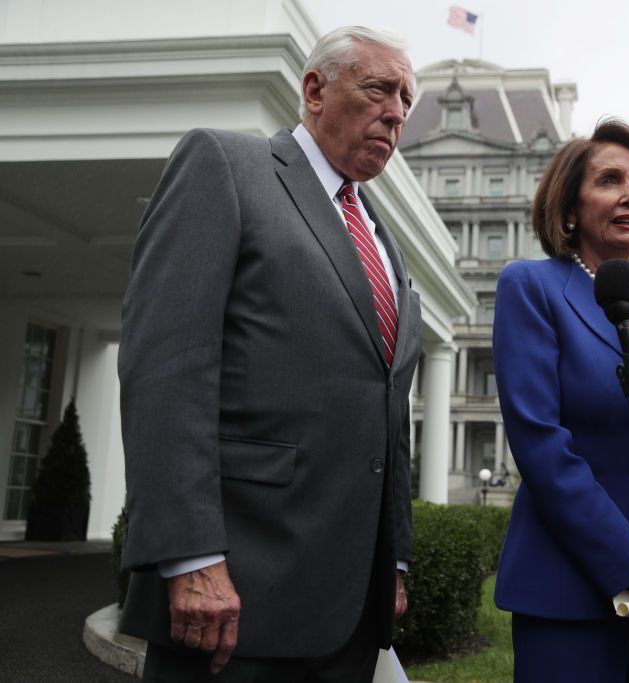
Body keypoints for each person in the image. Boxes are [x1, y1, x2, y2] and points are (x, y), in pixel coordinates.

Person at [117, 26, 420, 681]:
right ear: (314, 89)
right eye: (379, 89)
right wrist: (191, 554)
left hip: (349, 616)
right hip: (232, 602)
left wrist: (391, 561)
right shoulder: (226, 165)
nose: (396, 111)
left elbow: (387, 407)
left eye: (405, 100)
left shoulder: (383, 239)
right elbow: (167, 368)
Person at [492, 119, 629, 682]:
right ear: (570, 209)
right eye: (610, 180)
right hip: (570, 584)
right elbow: (542, 447)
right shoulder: (532, 286)